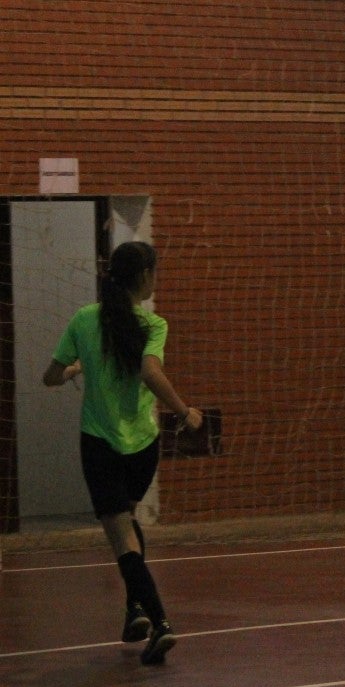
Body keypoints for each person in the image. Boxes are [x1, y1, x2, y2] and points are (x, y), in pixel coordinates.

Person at [43, 241, 203, 665]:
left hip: (101, 445)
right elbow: (149, 371)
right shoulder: (153, 324)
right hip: (142, 448)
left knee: (121, 538)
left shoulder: (84, 319)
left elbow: (50, 377)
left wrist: (73, 368)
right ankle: (134, 610)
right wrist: (184, 413)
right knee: (128, 522)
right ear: (144, 275)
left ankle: (161, 622)